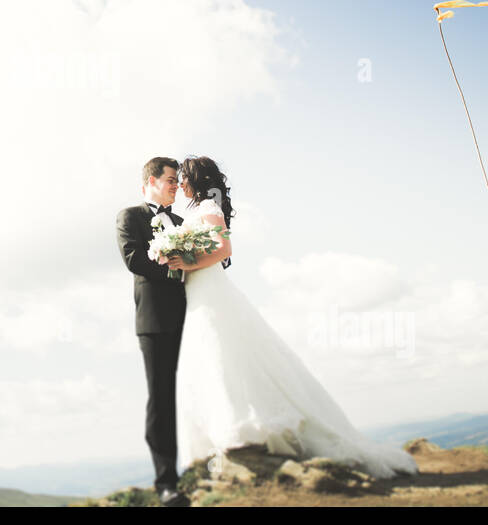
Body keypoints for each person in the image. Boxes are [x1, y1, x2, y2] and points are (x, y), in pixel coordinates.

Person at [172, 155, 419, 480]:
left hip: (210, 287)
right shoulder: (196, 211)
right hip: (198, 291)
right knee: (210, 352)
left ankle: (241, 427)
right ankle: (220, 430)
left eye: (183, 178)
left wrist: (188, 263)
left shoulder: (208, 209)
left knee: (222, 348)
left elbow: (223, 250)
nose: (180, 184)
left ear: (195, 179)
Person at [114, 157, 192, 506]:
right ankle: (166, 483)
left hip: (190, 316)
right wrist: (174, 268)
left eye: (177, 181)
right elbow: (135, 260)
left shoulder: (181, 222)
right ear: (151, 180)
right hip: (155, 321)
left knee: (191, 391)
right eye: (171, 180)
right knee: (161, 399)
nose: (176, 186)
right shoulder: (130, 217)